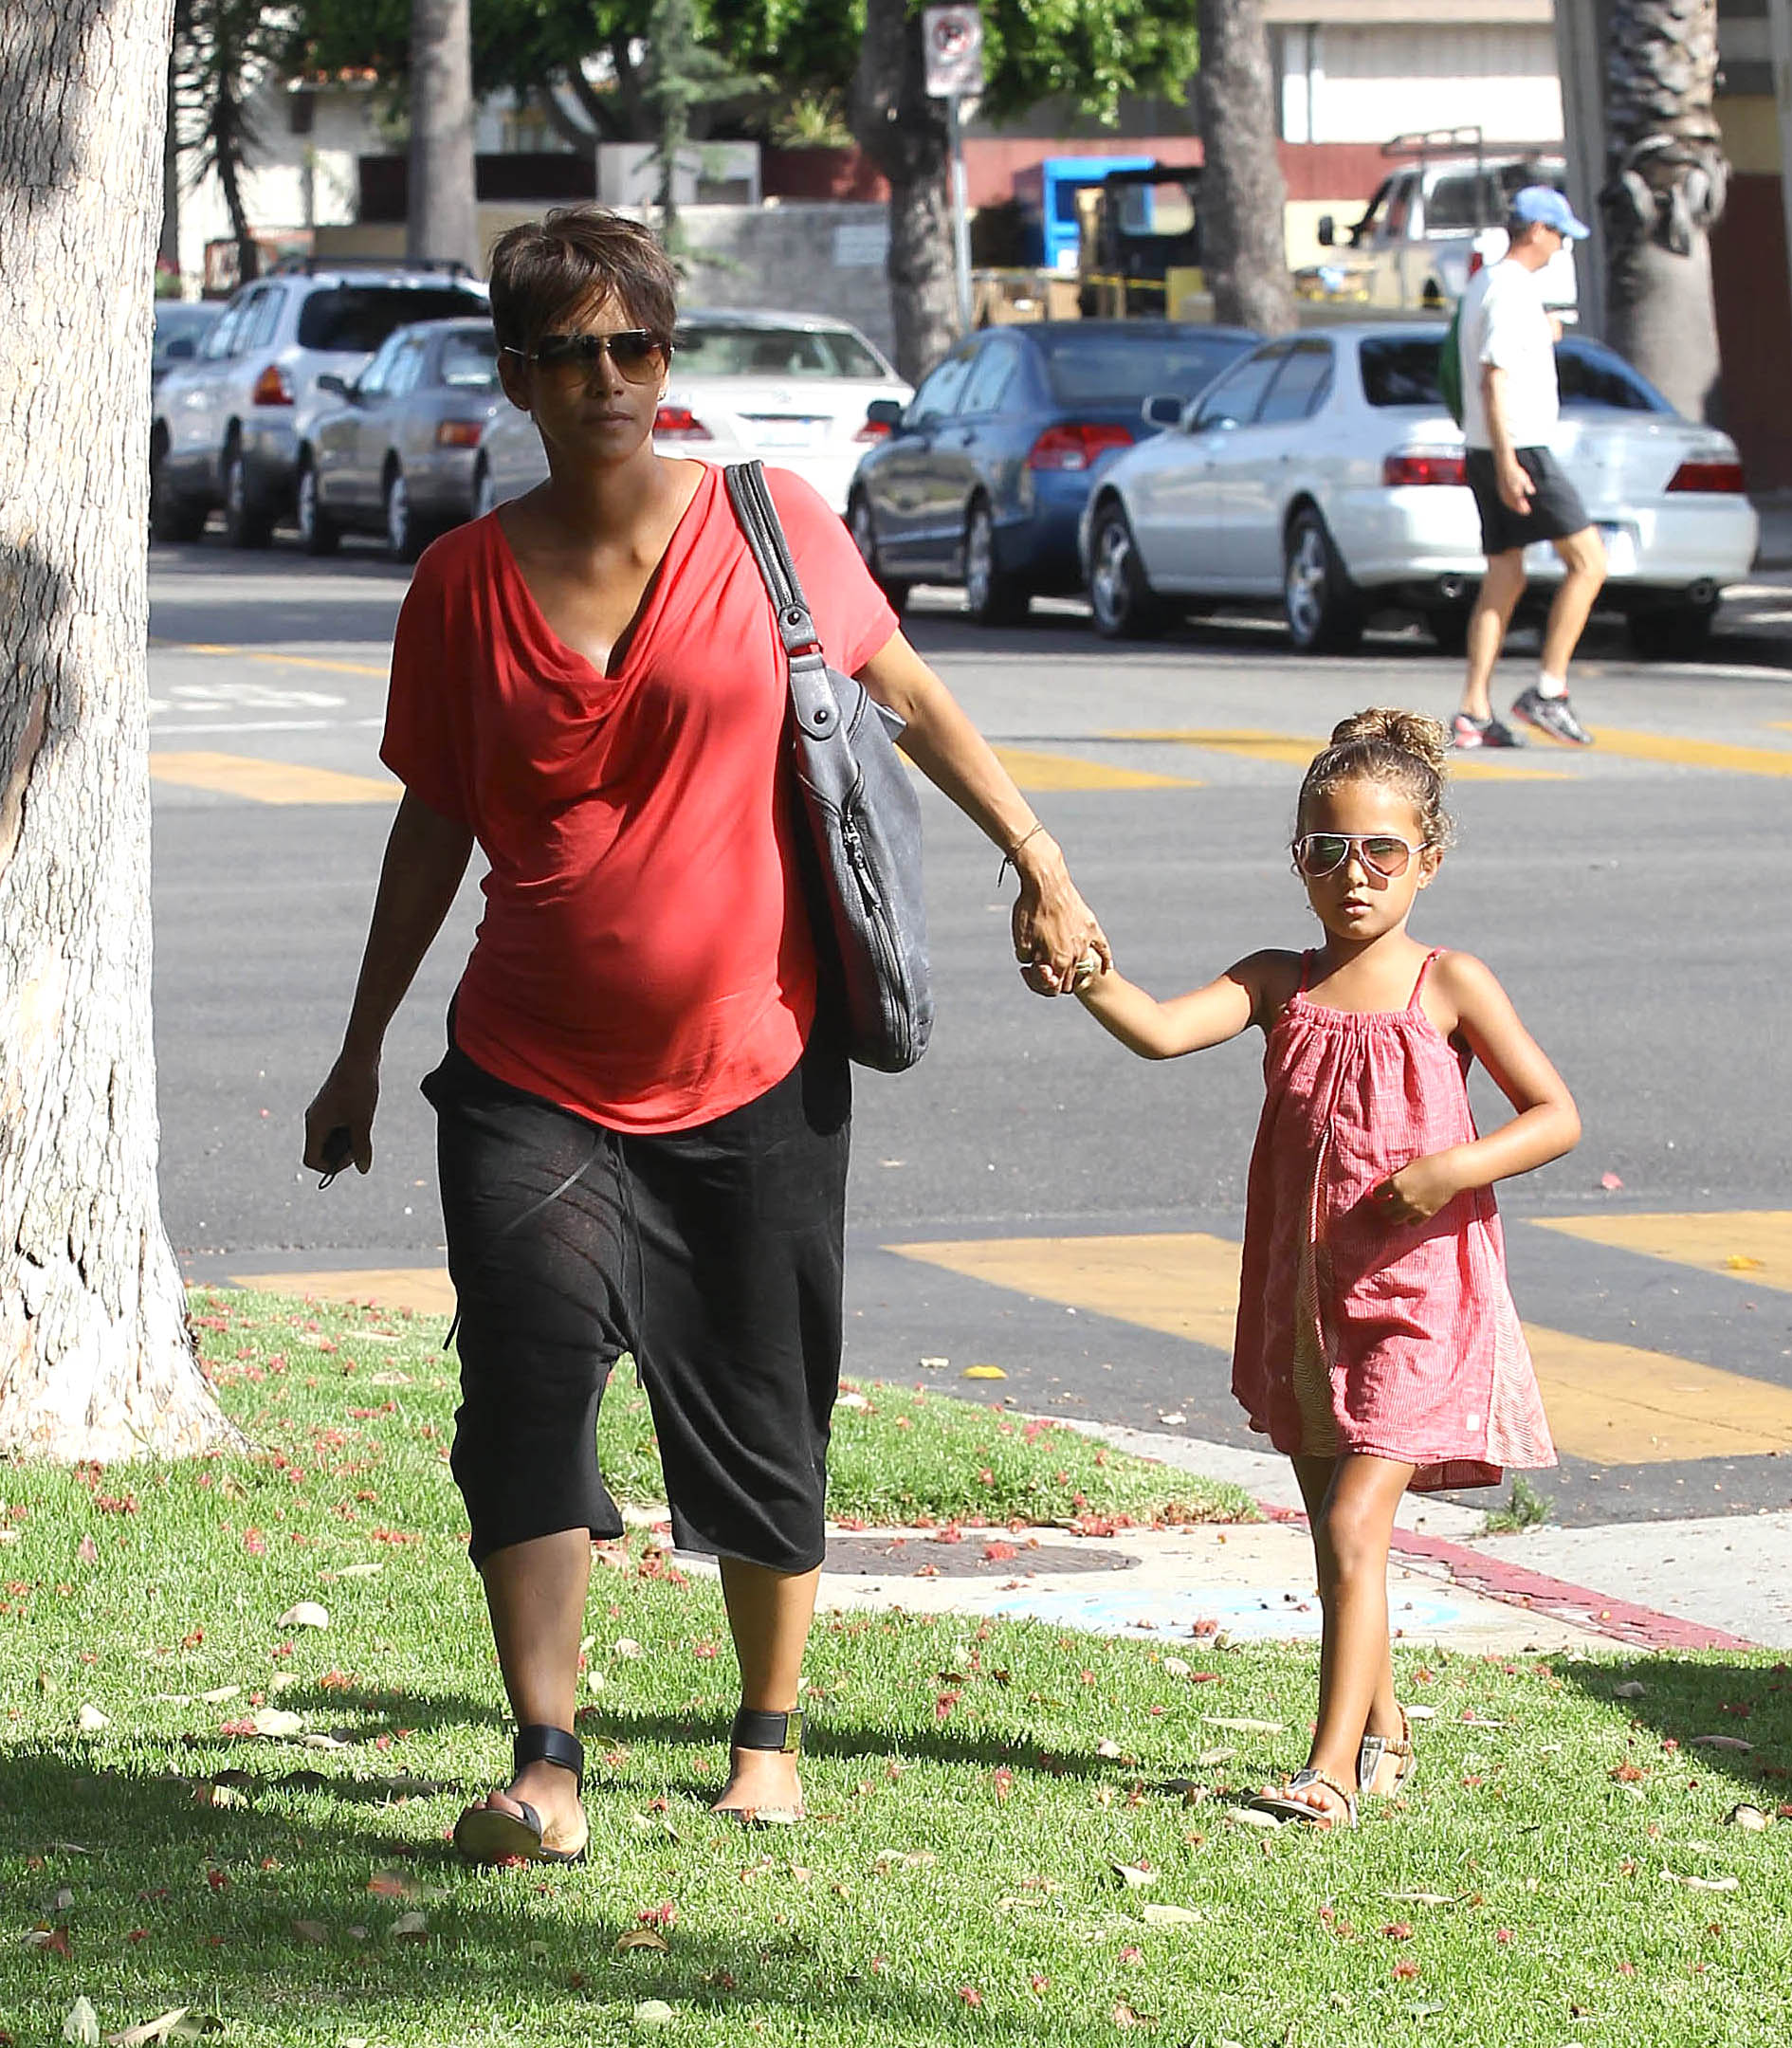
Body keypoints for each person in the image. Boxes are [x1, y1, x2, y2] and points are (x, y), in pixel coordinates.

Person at [302, 206, 1107, 1862]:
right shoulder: (461, 584)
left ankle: (766, 1733)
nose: (612, 381)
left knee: (759, 1392)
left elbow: (910, 698)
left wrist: (1039, 858)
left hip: (756, 1059)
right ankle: (547, 1759)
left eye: (640, 348)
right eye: (575, 354)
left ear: (668, 358)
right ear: (518, 376)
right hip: (524, 1063)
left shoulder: (772, 522)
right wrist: (362, 1041)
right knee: (520, 1393)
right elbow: (429, 829)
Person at [1066, 708, 1578, 1828]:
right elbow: (1155, 1028)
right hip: (1304, 1304)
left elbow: (1554, 1117)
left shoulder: (1451, 985)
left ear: (1428, 862)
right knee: (1336, 1533)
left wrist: (1453, 1168)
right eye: (1326, 851)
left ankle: (1331, 1773)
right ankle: (1385, 1730)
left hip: (1420, 1302)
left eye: (1383, 852)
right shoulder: (1276, 982)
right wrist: (1083, 970)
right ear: (1297, 860)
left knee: (1355, 1526)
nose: (1356, 876)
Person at [1453, 187, 1604, 751]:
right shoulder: (1512, 291)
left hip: (1486, 445)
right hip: (1522, 447)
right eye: (1560, 233)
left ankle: (1473, 710)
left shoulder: (1486, 284)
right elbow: (1494, 377)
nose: (1562, 244)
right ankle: (1549, 689)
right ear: (1535, 230)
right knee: (1590, 562)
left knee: (1506, 576)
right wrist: (1511, 463)